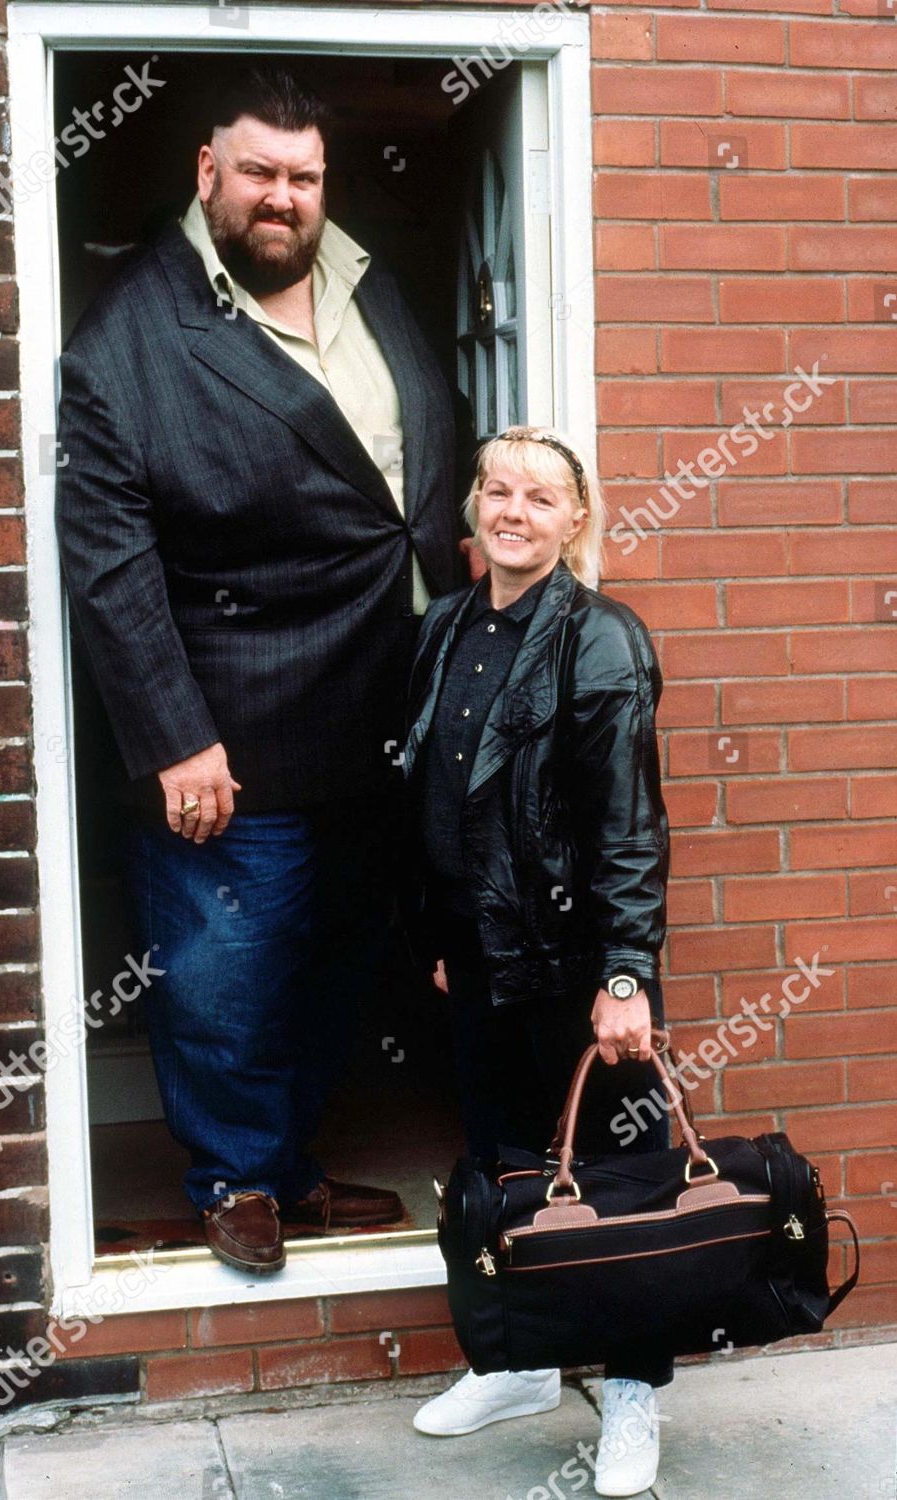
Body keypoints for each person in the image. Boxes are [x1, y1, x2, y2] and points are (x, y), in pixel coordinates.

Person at [55, 66, 467, 1273]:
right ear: (207, 173)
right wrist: (175, 737)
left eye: (303, 177)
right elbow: (110, 559)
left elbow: (400, 473)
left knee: (339, 956)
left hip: (378, 700)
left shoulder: (361, 275)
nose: (284, 199)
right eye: (259, 174)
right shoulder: (131, 331)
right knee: (227, 977)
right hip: (231, 726)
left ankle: (290, 1167)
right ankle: (233, 1176)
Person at [401, 425, 674, 1496]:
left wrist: (625, 975)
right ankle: (519, 1364)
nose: (513, 511)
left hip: (573, 969)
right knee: (503, 1163)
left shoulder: (600, 638)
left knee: (615, 1183)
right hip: (475, 955)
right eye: (496, 490)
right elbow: (429, 789)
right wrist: (435, 937)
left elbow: (629, 827)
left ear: (574, 520)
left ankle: (632, 1397)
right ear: (473, 507)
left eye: (539, 497)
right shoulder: (444, 628)